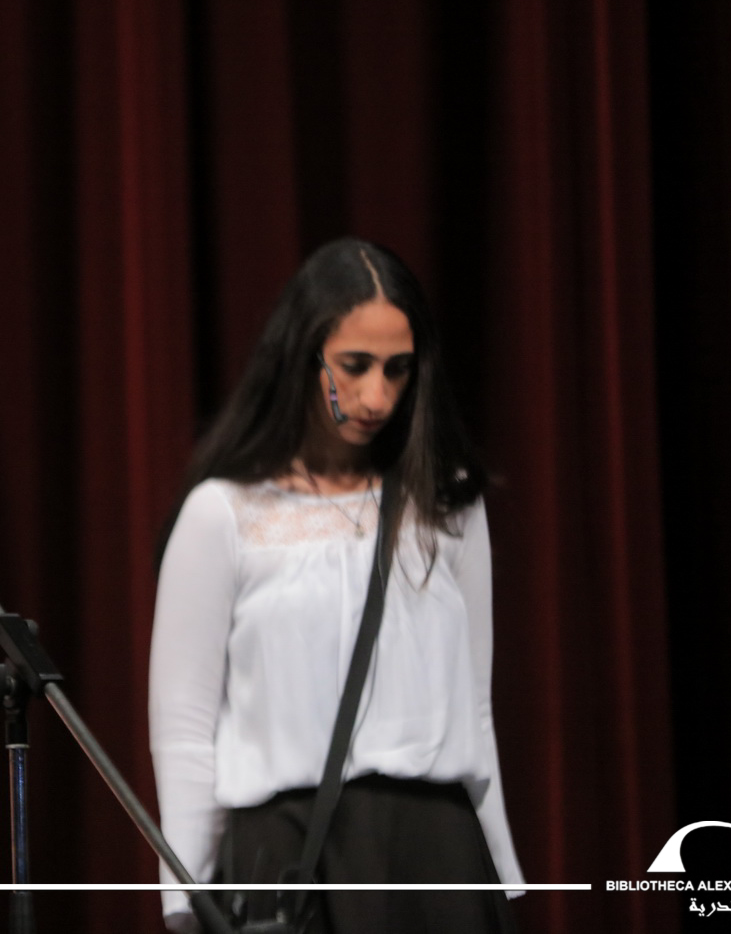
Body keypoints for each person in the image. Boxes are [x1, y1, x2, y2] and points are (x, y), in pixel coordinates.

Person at [149, 238, 522, 933]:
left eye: (398, 369)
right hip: (288, 856)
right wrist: (185, 896)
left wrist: (502, 874)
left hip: (437, 855)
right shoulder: (224, 513)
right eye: (354, 365)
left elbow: (475, 707)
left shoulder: (448, 502)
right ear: (304, 354)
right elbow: (185, 727)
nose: (377, 395)